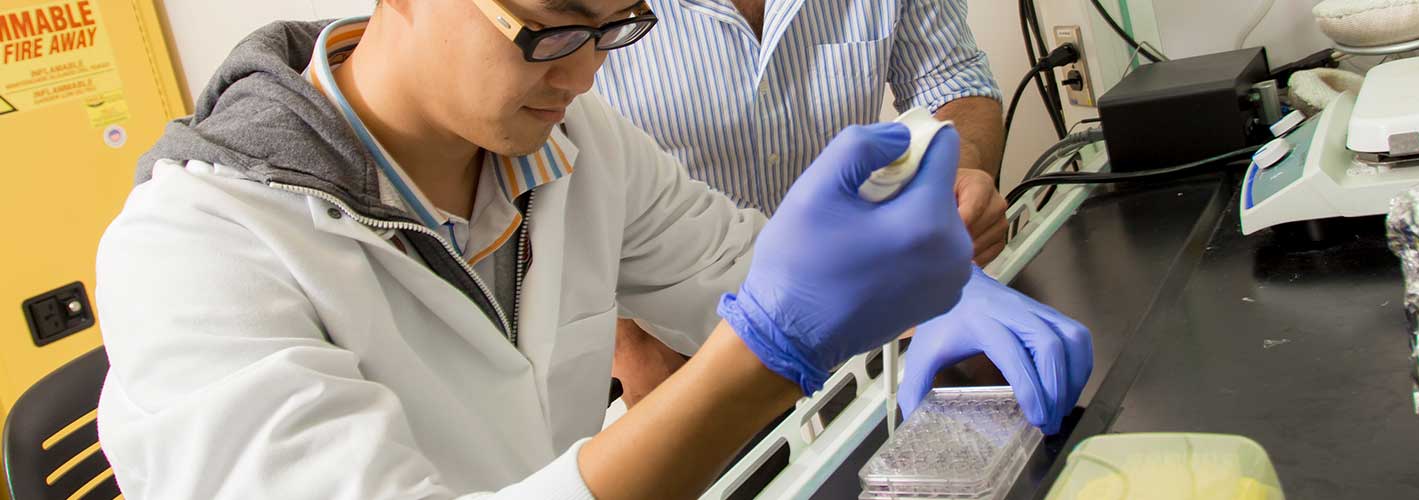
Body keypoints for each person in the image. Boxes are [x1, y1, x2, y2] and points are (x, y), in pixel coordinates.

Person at [93, 1, 1092, 498]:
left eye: (615, 23)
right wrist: (766, 357)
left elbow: (739, 268)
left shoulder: (575, 145)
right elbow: (770, 317)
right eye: (549, 28)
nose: (580, 76)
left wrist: (926, 289)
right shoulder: (195, 254)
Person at [593, 0, 1011, 405]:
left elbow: (952, 80)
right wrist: (629, 345)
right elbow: (577, 165)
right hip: (682, 344)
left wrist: (950, 175)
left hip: (865, 299)